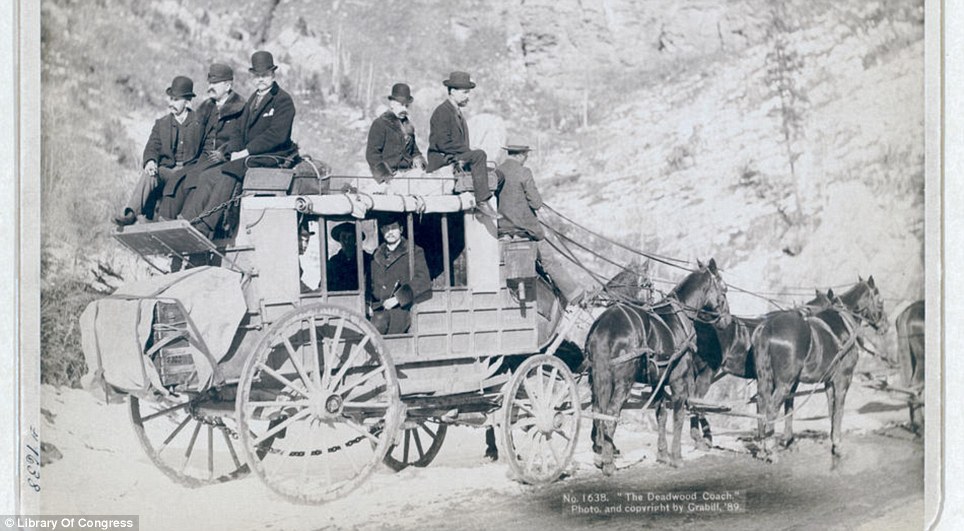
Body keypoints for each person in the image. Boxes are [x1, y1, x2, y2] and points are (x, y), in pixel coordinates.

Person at [185, 51, 299, 238]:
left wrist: (246, 151)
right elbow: (238, 131)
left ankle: (206, 226)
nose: (261, 79)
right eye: (257, 76)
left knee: (231, 171)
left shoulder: (283, 100)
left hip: (273, 155)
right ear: (253, 77)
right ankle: (188, 221)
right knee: (208, 175)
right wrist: (235, 149)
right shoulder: (253, 99)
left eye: (265, 75)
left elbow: (276, 135)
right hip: (249, 155)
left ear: (273, 75)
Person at [497, 144, 583, 305]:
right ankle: (575, 296)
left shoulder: (498, 171)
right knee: (549, 261)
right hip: (526, 230)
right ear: (520, 155)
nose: (527, 158)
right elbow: (536, 203)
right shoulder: (524, 172)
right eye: (526, 155)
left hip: (503, 230)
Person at [114, 76, 202, 226]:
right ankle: (131, 213)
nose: (171, 103)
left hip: (188, 172)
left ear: (187, 102)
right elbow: (152, 146)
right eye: (170, 99)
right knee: (149, 174)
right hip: (167, 170)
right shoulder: (162, 124)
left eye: (176, 100)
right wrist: (150, 161)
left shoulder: (199, 122)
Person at [178, 63, 246, 226]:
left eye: (215, 83)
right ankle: (168, 218)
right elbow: (193, 139)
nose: (211, 87)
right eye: (210, 83)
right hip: (202, 157)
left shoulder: (241, 108)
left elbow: (240, 138)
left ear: (228, 85)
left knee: (200, 176)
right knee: (179, 176)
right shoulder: (205, 107)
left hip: (222, 158)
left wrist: (225, 151)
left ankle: (189, 221)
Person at [426, 71, 501, 219]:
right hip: (443, 159)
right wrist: (468, 152)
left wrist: (467, 153)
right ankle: (482, 201)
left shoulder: (455, 112)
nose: (468, 96)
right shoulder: (442, 112)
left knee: (497, 174)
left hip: (455, 155)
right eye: (465, 92)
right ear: (452, 91)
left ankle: (500, 218)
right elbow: (442, 143)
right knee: (479, 154)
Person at [368, 218, 431, 334]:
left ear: (401, 229)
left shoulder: (414, 252)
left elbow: (423, 280)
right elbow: (368, 282)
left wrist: (398, 299)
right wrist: (368, 305)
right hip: (377, 308)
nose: (390, 232)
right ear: (382, 231)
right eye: (386, 229)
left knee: (377, 324)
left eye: (393, 228)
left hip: (400, 309)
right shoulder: (376, 254)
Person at [365, 83, 426, 186]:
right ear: (392, 104)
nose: (404, 109)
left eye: (407, 106)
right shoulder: (380, 124)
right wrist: (386, 177)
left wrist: (422, 165)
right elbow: (372, 155)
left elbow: (414, 151)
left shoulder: (408, 126)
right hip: (388, 176)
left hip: (407, 174)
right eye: (401, 105)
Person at [326, 222, 367, 292]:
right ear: (339, 239)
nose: (347, 241)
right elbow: (326, 285)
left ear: (356, 240)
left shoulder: (366, 259)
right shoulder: (334, 261)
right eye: (343, 237)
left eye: (351, 238)